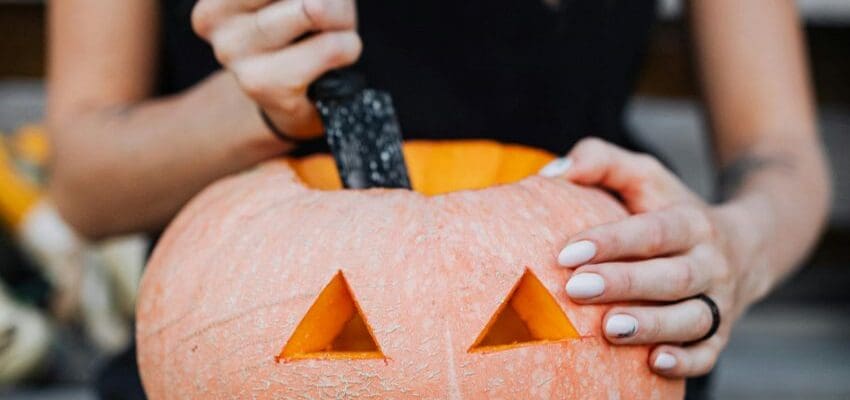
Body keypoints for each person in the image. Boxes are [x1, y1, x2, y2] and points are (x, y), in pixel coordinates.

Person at [46, 0, 831, 398]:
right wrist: (253, 105)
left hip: (599, 315)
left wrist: (735, 244)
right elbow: (84, 187)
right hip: (241, 338)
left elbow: (781, 153)